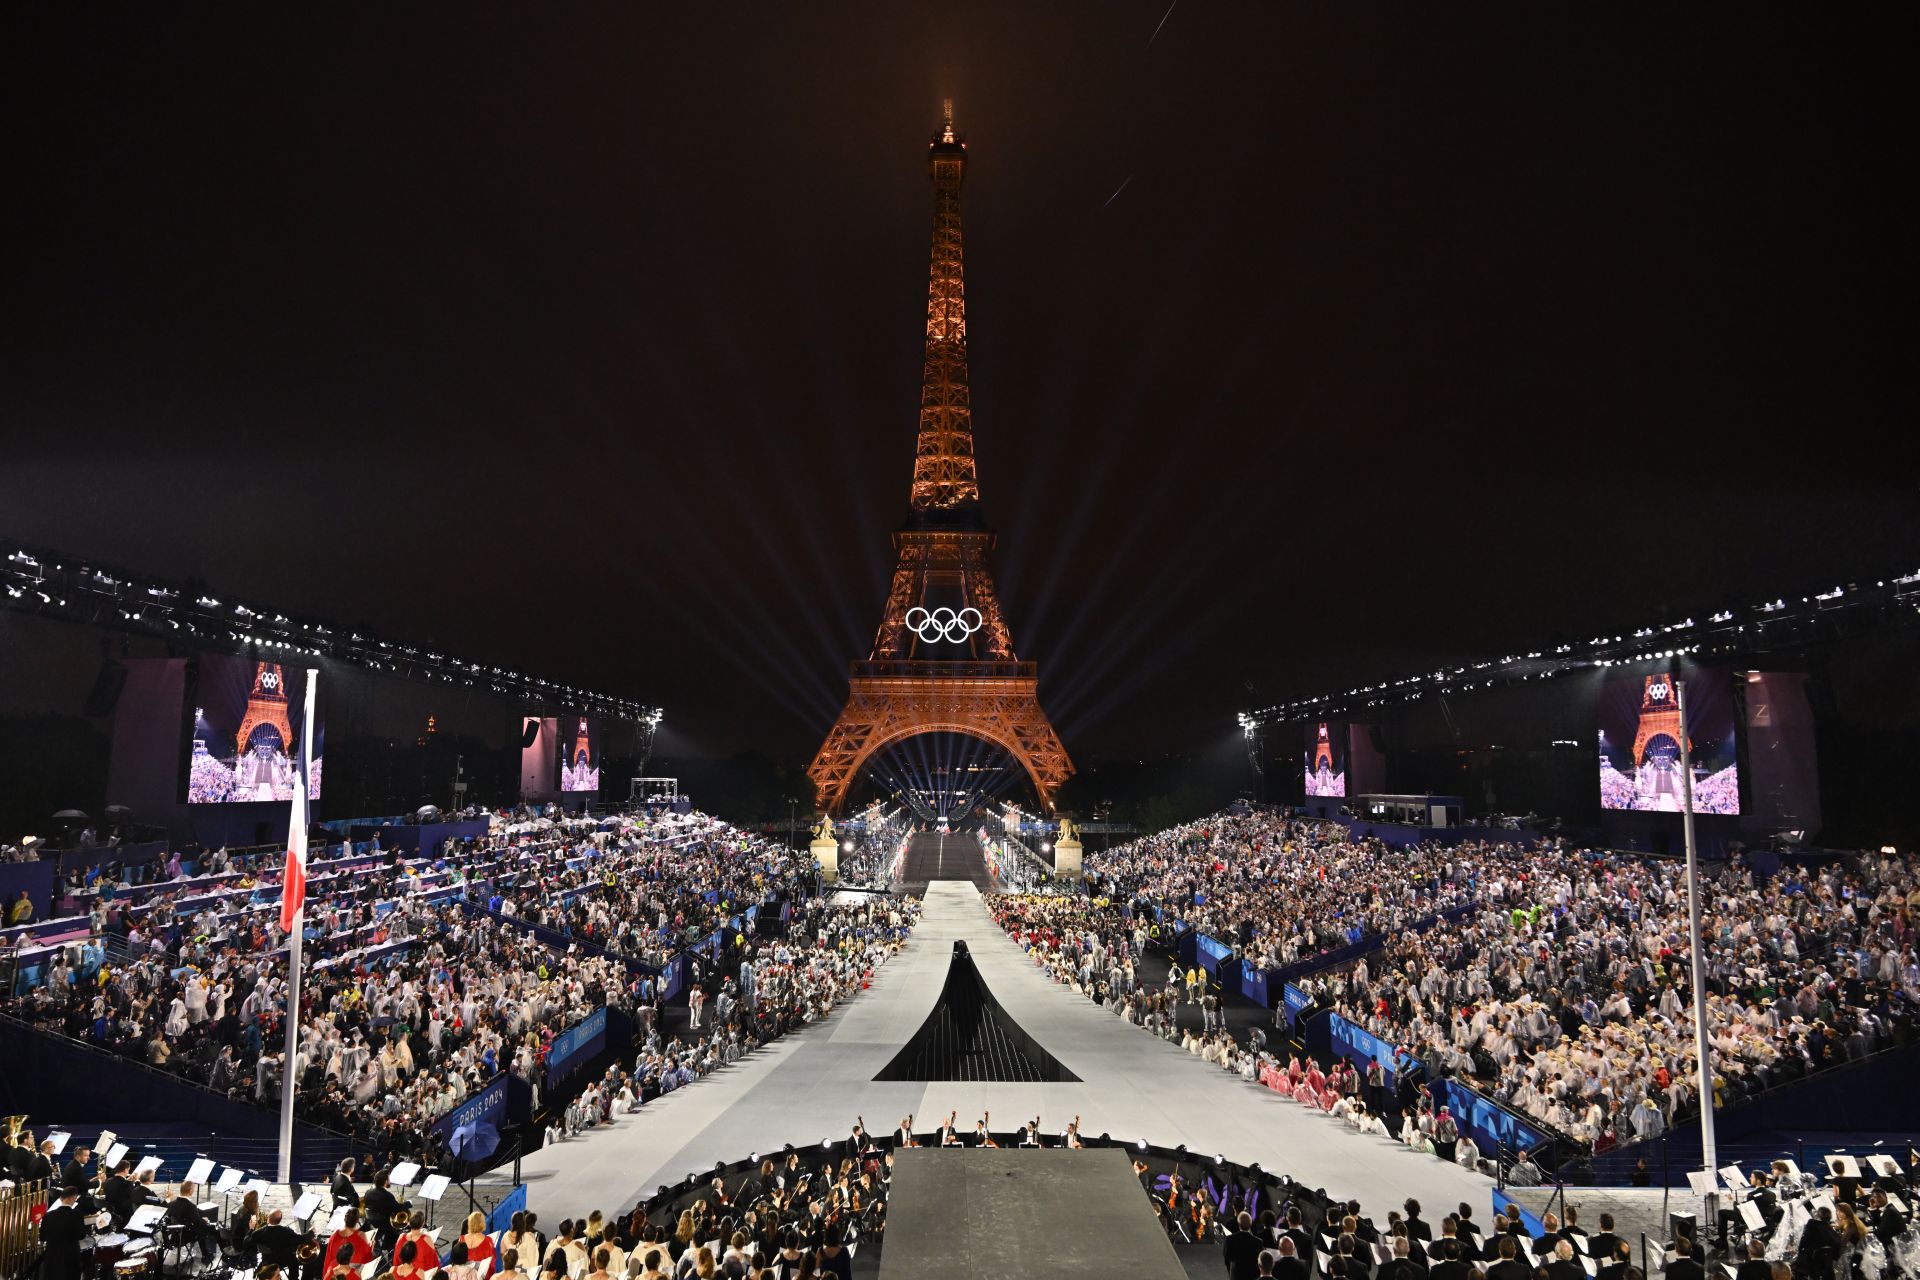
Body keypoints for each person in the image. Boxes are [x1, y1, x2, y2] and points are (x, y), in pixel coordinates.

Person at [39, 1184, 88, 1280]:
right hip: (70, 1258)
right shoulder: (77, 1214)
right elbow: (82, 1235)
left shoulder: (48, 1215)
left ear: (61, 1198)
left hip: (52, 1258)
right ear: (73, 1197)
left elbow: (42, 1237)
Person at [325, 1208, 376, 1280]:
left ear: (345, 1219)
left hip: (334, 1268)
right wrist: (371, 1247)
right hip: (350, 1268)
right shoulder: (360, 1235)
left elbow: (328, 1256)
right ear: (357, 1220)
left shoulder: (334, 1235)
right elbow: (366, 1257)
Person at [1224, 1211, 1265, 1280]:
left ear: (1238, 1224)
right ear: (1250, 1224)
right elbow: (1259, 1263)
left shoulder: (1230, 1240)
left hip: (1236, 1276)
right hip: (1253, 1276)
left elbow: (1227, 1259)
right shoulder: (1258, 1242)